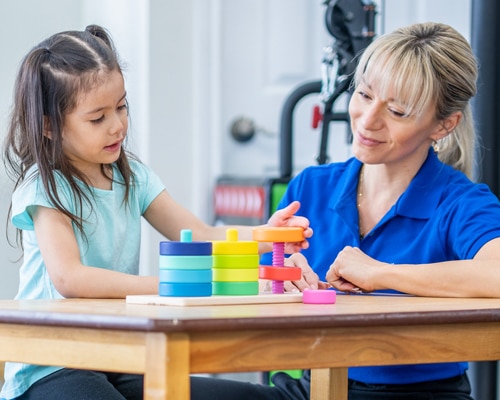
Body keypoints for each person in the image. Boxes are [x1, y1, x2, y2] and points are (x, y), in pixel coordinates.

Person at [190, 22, 500, 400]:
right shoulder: (311, 187)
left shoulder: (461, 203)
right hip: (312, 387)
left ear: (443, 125)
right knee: (137, 387)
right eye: (365, 95)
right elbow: (265, 297)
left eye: (398, 111)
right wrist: (278, 284)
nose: (368, 120)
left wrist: (380, 274)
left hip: (416, 394)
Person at [0, 25, 312, 400]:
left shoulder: (133, 177)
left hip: (116, 356)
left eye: (121, 107)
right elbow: (70, 278)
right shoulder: (45, 186)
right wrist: (172, 289)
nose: (117, 125)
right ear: (50, 127)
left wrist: (264, 235)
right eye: (97, 118)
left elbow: (200, 236)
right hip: (49, 362)